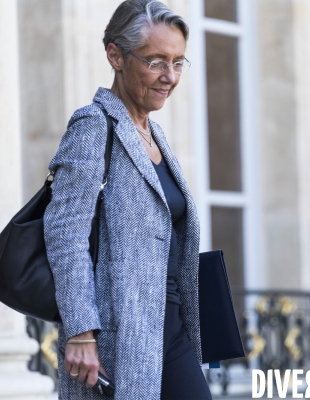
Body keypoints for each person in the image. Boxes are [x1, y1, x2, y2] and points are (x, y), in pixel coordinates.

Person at [43, 1, 212, 398]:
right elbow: (65, 236)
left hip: (170, 330)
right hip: (122, 337)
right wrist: (81, 332)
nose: (169, 76)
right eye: (155, 61)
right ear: (115, 55)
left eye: (178, 62)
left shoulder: (156, 137)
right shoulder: (93, 126)